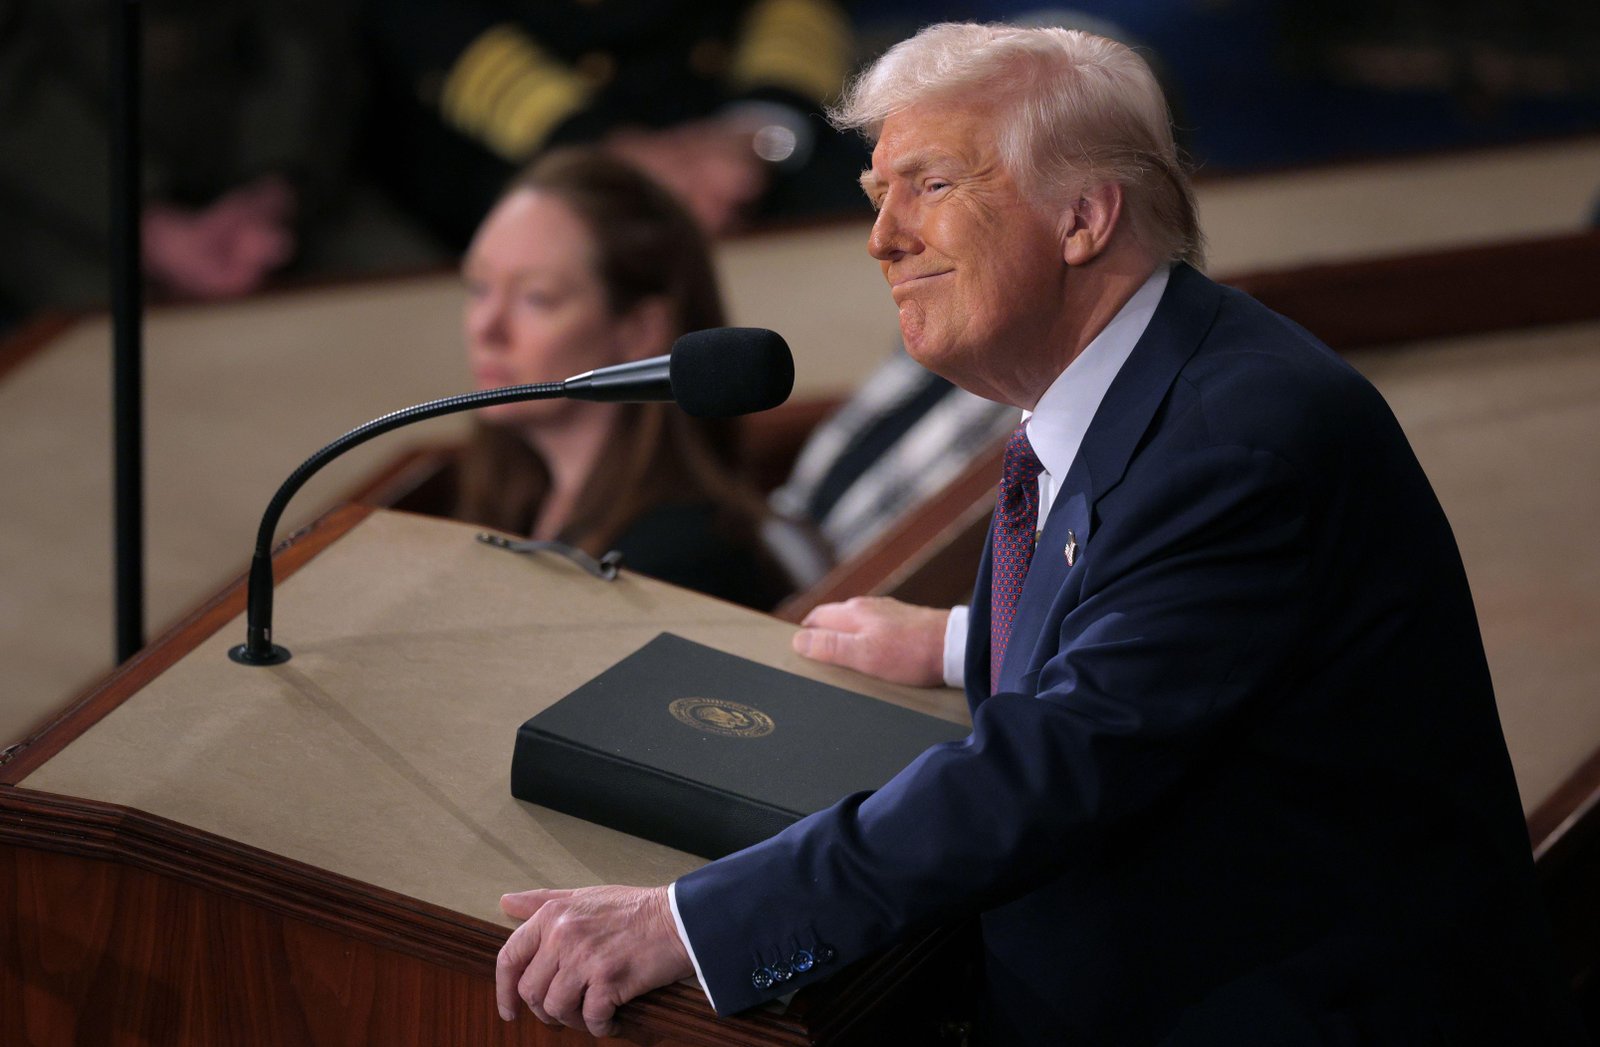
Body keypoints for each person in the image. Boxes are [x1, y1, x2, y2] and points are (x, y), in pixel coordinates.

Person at [492, 24, 1582, 1044]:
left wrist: (692, 924)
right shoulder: (1144, 389)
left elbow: (1059, 761)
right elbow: (1185, 646)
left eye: (929, 186)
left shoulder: (1240, 436)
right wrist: (966, 642)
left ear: (1082, 218)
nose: (881, 237)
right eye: (878, 193)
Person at [451, 146, 791, 612]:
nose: (485, 328)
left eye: (536, 298)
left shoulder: (681, 559)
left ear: (640, 332)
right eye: (479, 287)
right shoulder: (519, 505)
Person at [362, 0, 871, 248]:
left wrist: (753, 131)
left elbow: (797, 10)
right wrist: (610, 150)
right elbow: (435, 31)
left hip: (744, 134)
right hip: (531, 144)